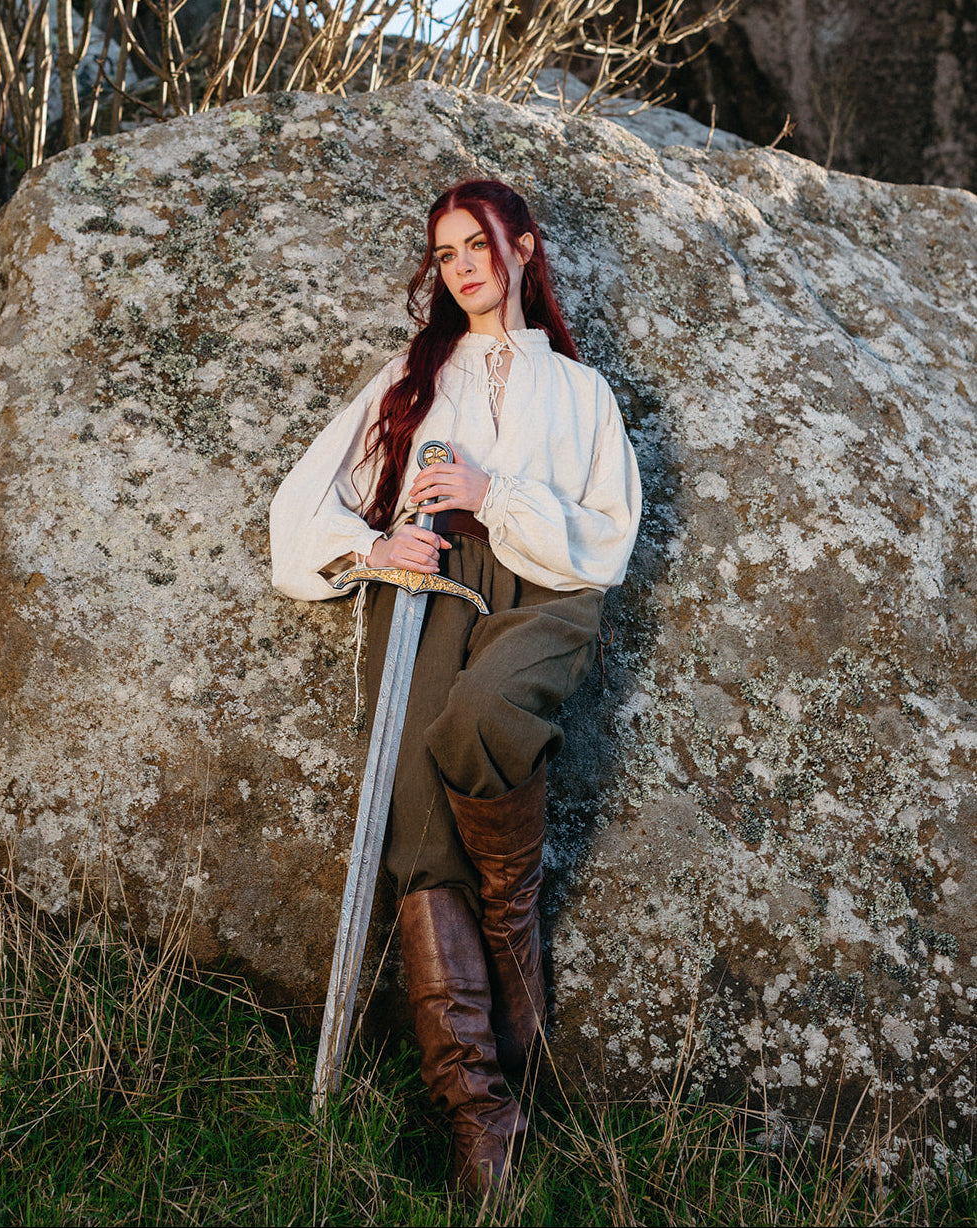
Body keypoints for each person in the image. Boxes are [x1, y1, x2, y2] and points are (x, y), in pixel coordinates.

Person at [270, 179, 640, 1199]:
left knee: (480, 719)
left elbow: (606, 538)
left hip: (548, 589)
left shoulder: (582, 392)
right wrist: (369, 539)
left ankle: (510, 936)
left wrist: (493, 493)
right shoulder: (410, 375)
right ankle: (480, 1107)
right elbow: (306, 501)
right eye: (444, 252)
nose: (463, 265)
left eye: (478, 243)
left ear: (522, 247)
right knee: (418, 833)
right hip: (428, 581)